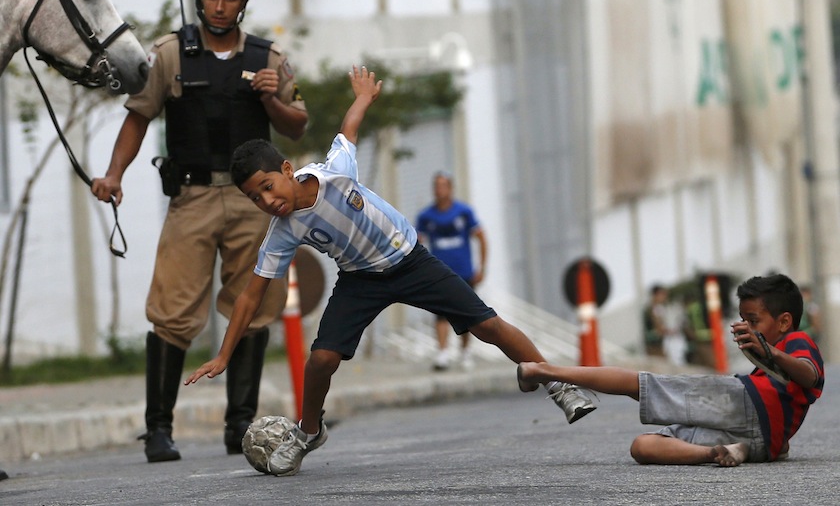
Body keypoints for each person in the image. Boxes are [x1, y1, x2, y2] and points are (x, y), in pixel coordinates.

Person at [185, 66, 597, 476]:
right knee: (322, 359)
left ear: (288, 170)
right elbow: (251, 294)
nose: (267, 200)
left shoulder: (335, 174)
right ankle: (308, 431)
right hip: (360, 280)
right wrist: (224, 353)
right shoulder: (282, 231)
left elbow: (349, 129)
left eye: (268, 186)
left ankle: (559, 384)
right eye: (255, 198)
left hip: (411, 261)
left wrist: (363, 96)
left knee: (487, 325)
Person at [91, 0, 308, 463]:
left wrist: (272, 100)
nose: (219, 5)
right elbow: (138, 117)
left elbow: (296, 125)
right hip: (191, 196)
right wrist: (114, 175)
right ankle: (159, 429)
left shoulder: (268, 58)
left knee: (253, 307)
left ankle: (240, 425)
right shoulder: (170, 54)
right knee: (171, 309)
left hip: (254, 203)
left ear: (242, 4)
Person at [517, 273, 823, 467]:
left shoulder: (796, 340)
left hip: (743, 402)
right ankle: (720, 452)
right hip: (761, 445)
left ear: (783, 321)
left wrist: (770, 352)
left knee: (640, 384)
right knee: (643, 447)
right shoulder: (771, 358)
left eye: (753, 320)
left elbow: (809, 374)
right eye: (743, 319)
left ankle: (547, 371)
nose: (746, 327)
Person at [416, 171, 487, 371]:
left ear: (450, 188)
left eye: (443, 185)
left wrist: (482, 267)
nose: (439, 190)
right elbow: (417, 242)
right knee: (440, 312)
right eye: (436, 186)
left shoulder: (463, 212)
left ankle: (465, 352)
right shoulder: (426, 216)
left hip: (463, 272)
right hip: (439, 272)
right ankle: (442, 352)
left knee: (466, 314)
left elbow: (481, 237)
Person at [642, 284, 668, 358]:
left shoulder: (658, 308)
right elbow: (658, 327)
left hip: (658, 343)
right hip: (653, 345)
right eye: (662, 294)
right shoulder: (651, 309)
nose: (664, 297)